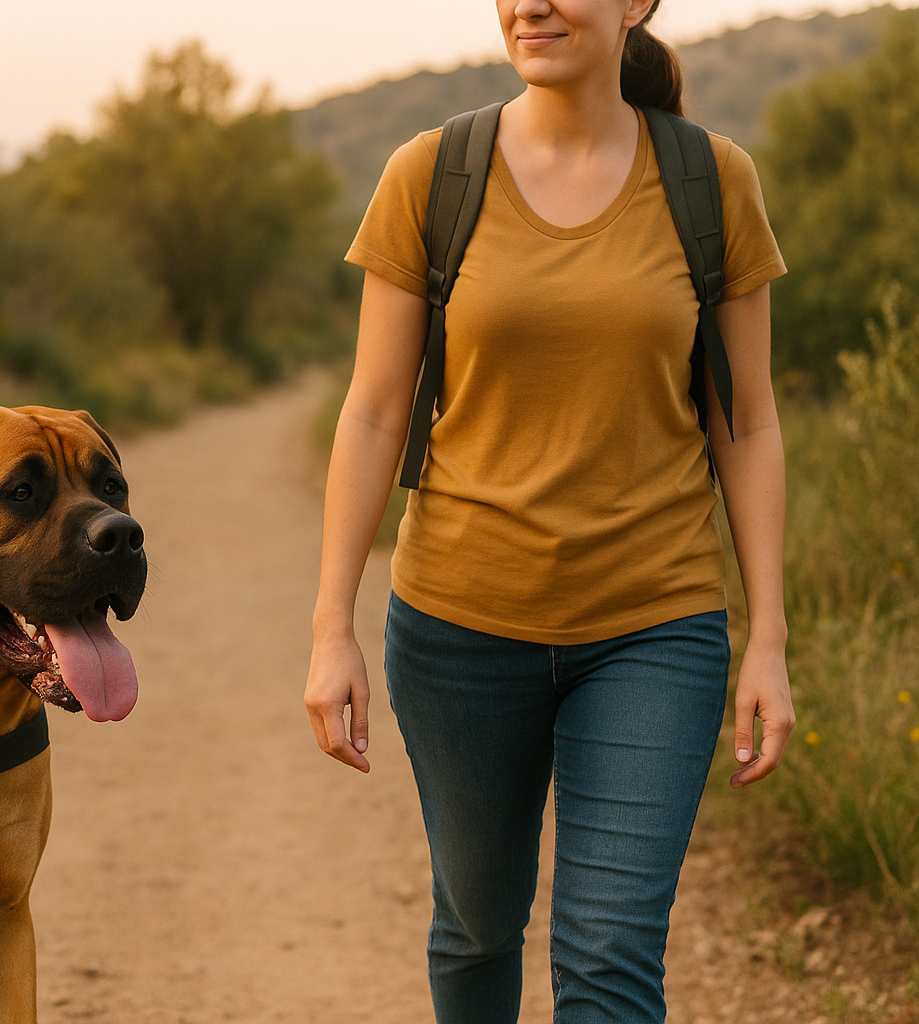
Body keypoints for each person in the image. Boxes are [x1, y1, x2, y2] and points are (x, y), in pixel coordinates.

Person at [302, 1, 794, 1021]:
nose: (531, 2)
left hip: (656, 626)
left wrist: (770, 639)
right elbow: (374, 410)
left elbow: (747, 424)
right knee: (479, 927)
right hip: (456, 625)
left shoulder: (713, 183)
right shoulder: (431, 177)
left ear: (636, 4)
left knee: (611, 953)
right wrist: (329, 628)